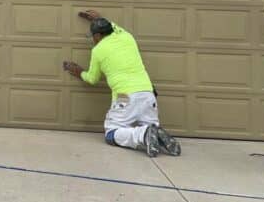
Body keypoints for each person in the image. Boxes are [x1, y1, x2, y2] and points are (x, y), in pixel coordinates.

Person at [63, 9, 181, 157]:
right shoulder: (126, 36)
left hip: (125, 96)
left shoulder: (98, 50)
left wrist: (79, 72)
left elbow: (92, 79)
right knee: (151, 126)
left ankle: (143, 134)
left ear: (98, 36)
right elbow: (114, 27)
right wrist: (99, 19)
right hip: (148, 94)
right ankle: (154, 133)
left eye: (93, 36)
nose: (92, 39)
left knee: (111, 133)